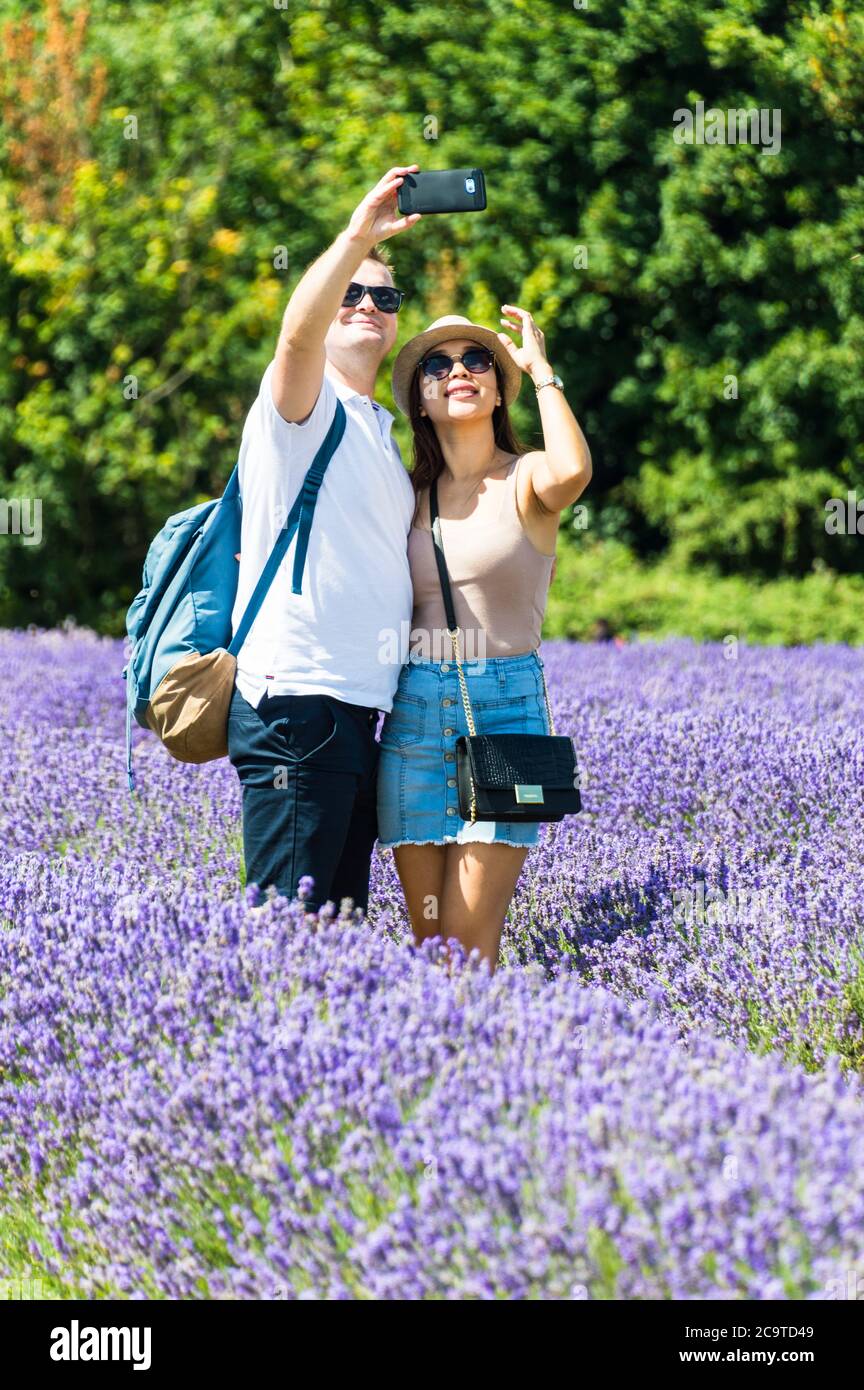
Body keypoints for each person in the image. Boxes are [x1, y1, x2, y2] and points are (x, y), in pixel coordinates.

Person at [226, 166, 422, 913]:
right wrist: (356, 236)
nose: (367, 304)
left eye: (384, 296)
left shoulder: (374, 425)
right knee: (287, 930)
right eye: (351, 293)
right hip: (297, 701)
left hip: (353, 706)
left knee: (333, 938)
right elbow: (295, 333)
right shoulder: (300, 406)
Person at [377, 309, 592, 968]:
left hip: (502, 710)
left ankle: (490, 1062)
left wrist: (543, 373)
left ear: (499, 390)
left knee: (469, 947)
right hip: (414, 715)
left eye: (477, 361)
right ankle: (443, 1071)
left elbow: (574, 471)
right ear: (420, 398)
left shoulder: (527, 477)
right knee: (431, 947)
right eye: (438, 366)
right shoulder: (405, 494)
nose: (459, 371)